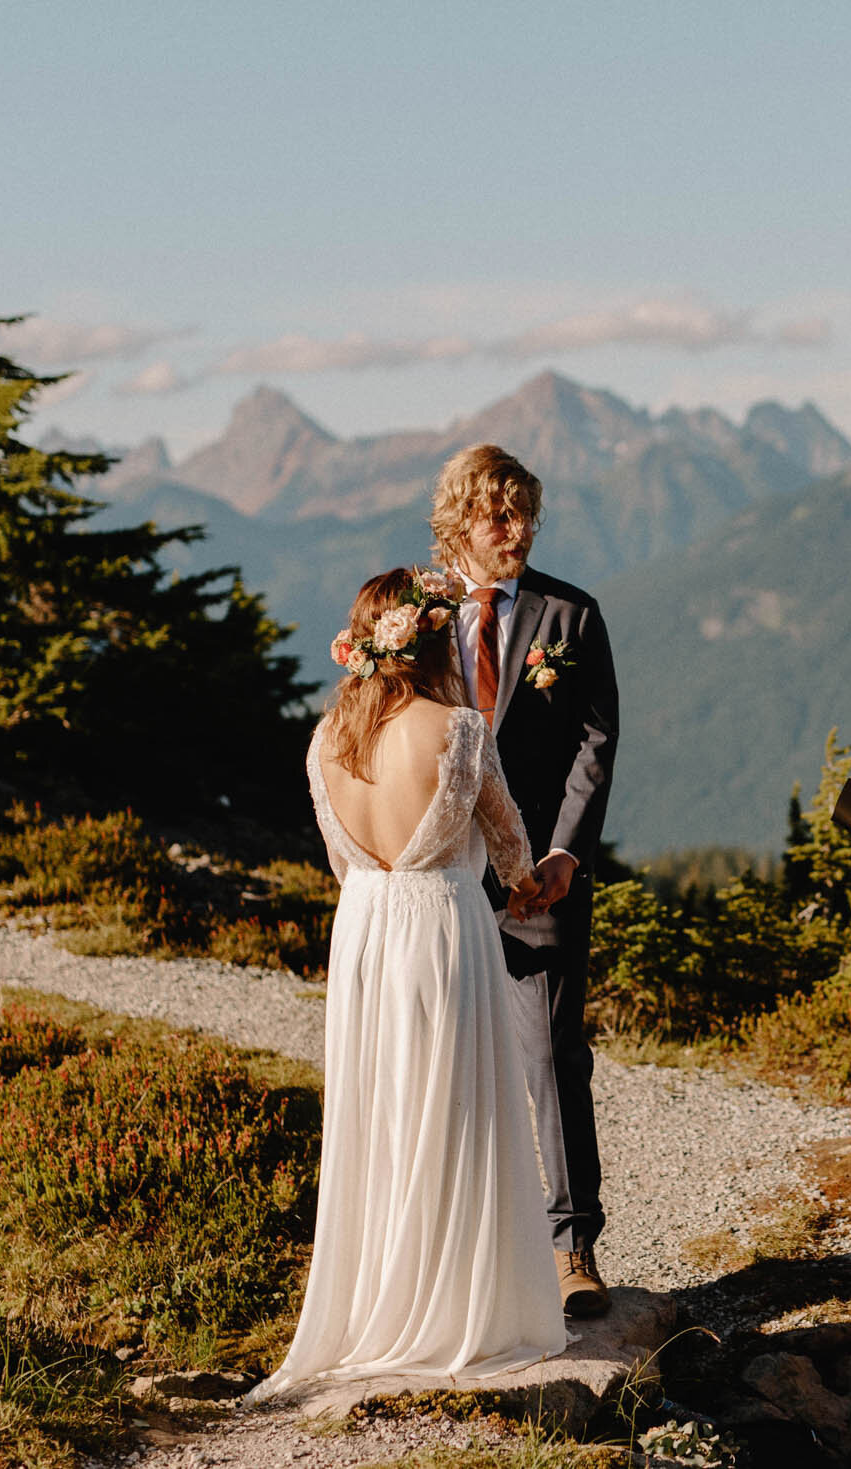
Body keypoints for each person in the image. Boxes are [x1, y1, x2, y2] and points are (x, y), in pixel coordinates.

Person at [246, 567, 565, 1403]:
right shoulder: (459, 729)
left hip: (364, 932)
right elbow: (512, 854)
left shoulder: (325, 742)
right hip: (439, 926)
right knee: (456, 1108)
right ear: (435, 639)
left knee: (380, 1112)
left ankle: (377, 1301)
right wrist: (532, 884)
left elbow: (340, 862)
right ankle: (458, 1305)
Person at [431, 444, 620, 1318]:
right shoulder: (421, 619)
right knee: (450, 1060)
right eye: (499, 515)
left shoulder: (571, 617)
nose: (517, 530)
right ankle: (468, 1251)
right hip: (442, 873)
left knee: (550, 1057)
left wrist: (564, 854)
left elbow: (595, 742)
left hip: (539, 877)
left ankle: (574, 1245)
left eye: (526, 513)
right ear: (461, 522)